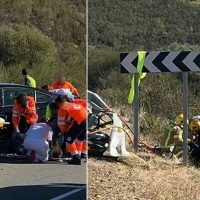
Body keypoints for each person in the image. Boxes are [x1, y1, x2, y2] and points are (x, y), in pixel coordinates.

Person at [55, 95, 87, 165]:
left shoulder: (63, 108)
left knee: (68, 140)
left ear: (58, 103)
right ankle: (79, 156)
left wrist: (66, 130)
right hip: (85, 119)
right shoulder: (72, 104)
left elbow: (61, 124)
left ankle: (76, 157)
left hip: (80, 122)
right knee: (79, 140)